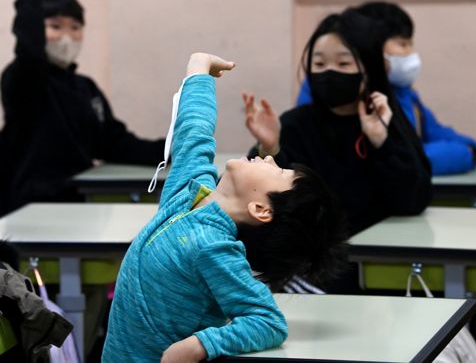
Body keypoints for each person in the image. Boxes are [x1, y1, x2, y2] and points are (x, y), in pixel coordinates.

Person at [102, 53, 347, 363]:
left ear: (261, 209)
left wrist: (198, 346)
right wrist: (199, 71)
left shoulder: (216, 248)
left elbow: (267, 321)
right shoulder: (188, 195)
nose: (271, 159)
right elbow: (194, 134)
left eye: (280, 172)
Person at [243, 10, 432, 293]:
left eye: (343, 63)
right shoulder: (295, 124)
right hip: (312, 272)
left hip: (380, 267)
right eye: (318, 63)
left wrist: (382, 142)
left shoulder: (386, 119)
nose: (329, 72)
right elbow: (259, 205)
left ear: (369, 70)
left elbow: (413, 201)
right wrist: (270, 148)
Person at [0, 0, 164, 216]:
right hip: (28, 205)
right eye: (55, 26)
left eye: (76, 28)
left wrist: (171, 150)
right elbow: (30, 51)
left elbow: (113, 143)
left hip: (78, 200)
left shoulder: (85, 88)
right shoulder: (24, 78)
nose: (68, 37)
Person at [297, 1, 476, 176]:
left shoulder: (405, 92)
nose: (410, 53)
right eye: (402, 44)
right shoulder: (327, 92)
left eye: (411, 44)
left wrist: (469, 151)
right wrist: (408, 156)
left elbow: (449, 139)